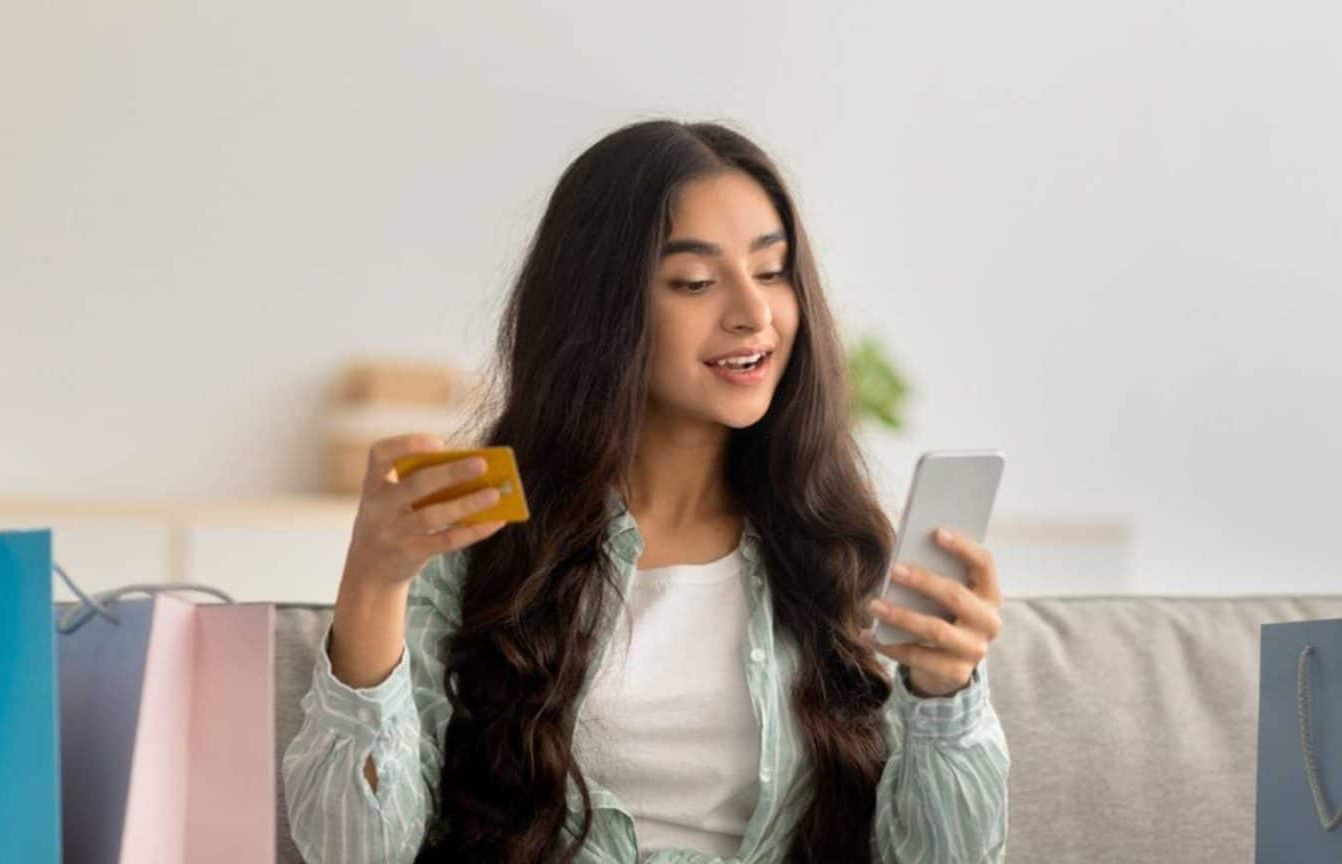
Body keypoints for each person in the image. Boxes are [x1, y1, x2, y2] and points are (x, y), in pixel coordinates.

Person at [282, 119, 1009, 864]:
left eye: (772, 271)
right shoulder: (485, 544)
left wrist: (945, 696)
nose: (753, 314)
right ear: (599, 308)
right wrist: (372, 581)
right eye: (695, 282)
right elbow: (353, 851)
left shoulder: (840, 553)